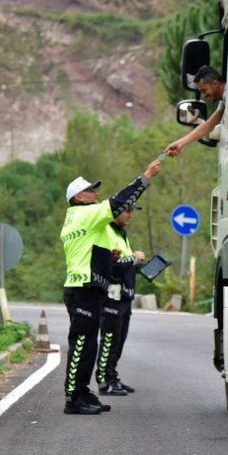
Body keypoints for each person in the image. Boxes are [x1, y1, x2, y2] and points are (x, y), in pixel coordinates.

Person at [60, 159, 161, 415]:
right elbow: (118, 201)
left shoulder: (79, 218)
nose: (96, 193)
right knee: (82, 344)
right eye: (92, 190)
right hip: (82, 288)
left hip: (89, 288)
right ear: (79, 197)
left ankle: (82, 391)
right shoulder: (85, 213)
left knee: (89, 344)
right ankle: (73, 397)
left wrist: (110, 259)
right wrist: (146, 176)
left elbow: (89, 250)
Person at [95, 203, 143, 396]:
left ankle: (112, 376)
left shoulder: (121, 233)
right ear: (116, 211)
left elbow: (124, 264)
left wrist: (136, 264)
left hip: (125, 295)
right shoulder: (106, 231)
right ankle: (104, 381)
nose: (131, 215)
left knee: (119, 340)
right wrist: (133, 259)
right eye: (128, 210)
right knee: (109, 339)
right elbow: (110, 265)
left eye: (133, 211)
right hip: (112, 295)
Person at [164, 65, 225, 157]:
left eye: (204, 90)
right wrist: (181, 143)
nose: (204, 96)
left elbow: (209, 125)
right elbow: (209, 124)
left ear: (215, 84)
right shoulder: (223, 101)